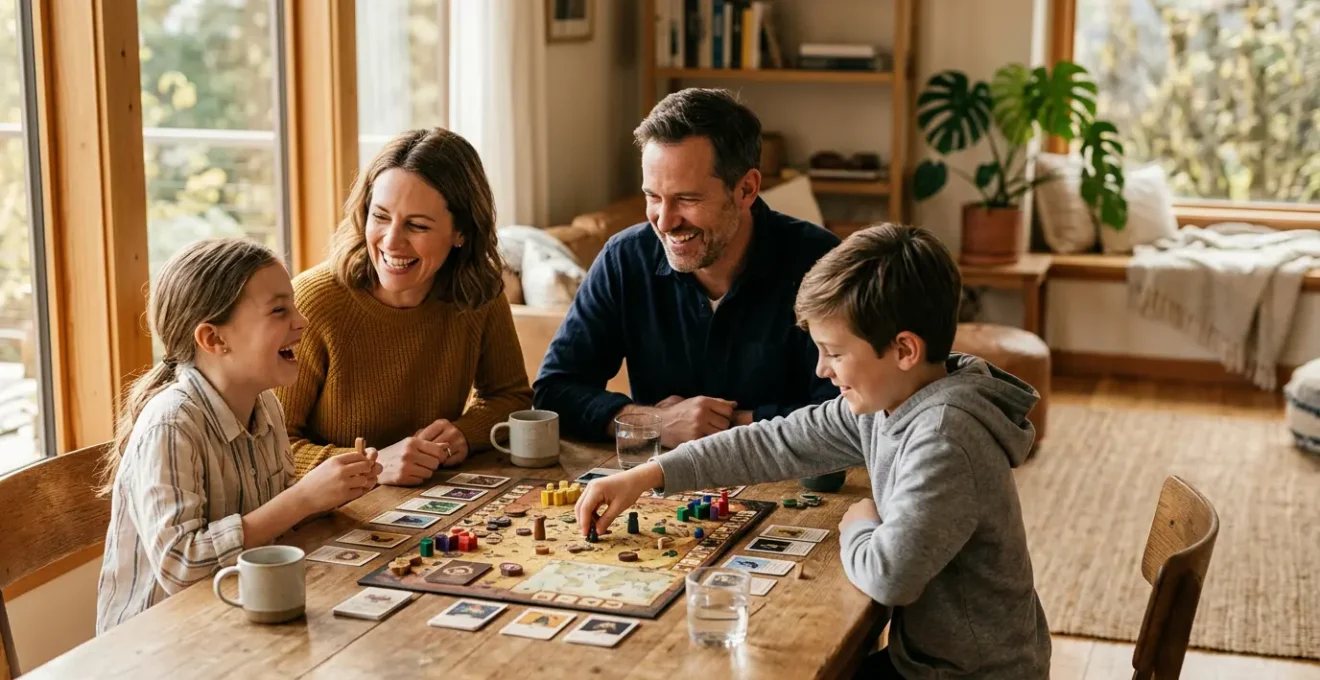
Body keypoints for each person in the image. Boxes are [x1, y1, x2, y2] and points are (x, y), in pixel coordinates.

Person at [575, 224, 1051, 679]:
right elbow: (772, 441)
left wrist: (860, 523)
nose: (822, 370)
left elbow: (890, 578)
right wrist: (649, 475)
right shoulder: (888, 401)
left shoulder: (945, 436)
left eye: (835, 353)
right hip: (927, 660)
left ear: (904, 350)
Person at [97, 238, 382, 633]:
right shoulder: (171, 424)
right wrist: (301, 498)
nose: (302, 321)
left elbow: (277, 521)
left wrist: (331, 491)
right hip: (158, 646)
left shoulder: (265, 406)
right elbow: (182, 565)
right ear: (214, 339)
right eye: (280, 310)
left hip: (236, 619)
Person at [533, 88, 840, 447]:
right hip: (659, 489)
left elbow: (848, 411)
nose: (664, 221)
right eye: (653, 197)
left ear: (746, 190)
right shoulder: (625, 259)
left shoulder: (821, 264)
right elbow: (553, 393)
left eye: (687, 199)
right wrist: (655, 421)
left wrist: (731, 424)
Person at [277, 128, 532, 485]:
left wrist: (464, 433)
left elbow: (512, 398)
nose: (392, 241)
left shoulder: (479, 293)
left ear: (461, 233)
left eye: (417, 225)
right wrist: (375, 463)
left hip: (425, 503)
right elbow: (271, 449)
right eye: (380, 217)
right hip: (329, 515)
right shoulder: (313, 303)